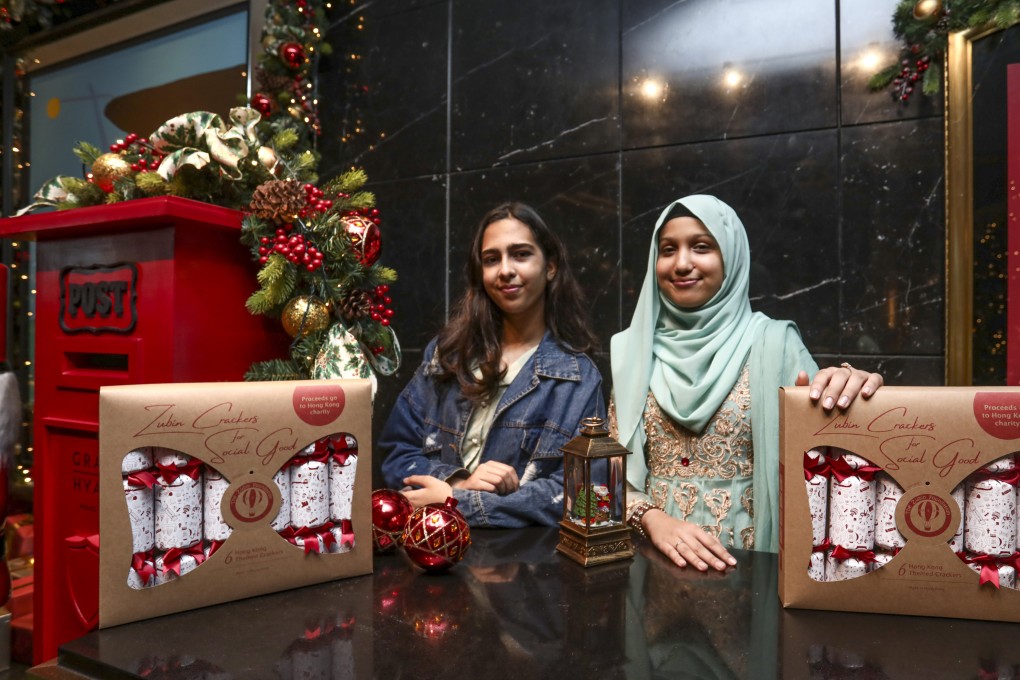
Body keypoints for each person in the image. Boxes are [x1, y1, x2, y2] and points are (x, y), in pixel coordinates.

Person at [610, 194, 882, 572]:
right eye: (668, 249)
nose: (681, 263)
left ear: (732, 257)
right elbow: (606, 480)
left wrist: (855, 393)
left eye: (701, 247)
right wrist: (653, 520)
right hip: (654, 563)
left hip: (755, 564)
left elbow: (831, 461)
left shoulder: (775, 343)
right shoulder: (631, 353)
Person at [380, 202, 605, 527]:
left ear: (551, 266)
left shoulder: (577, 378)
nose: (505, 270)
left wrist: (458, 502)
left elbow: (581, 496)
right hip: (429, 553)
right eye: (491, 259)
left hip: (518, 566)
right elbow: (396, 449)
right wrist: (455, 483)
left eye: (521, 254)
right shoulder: (447, 355)